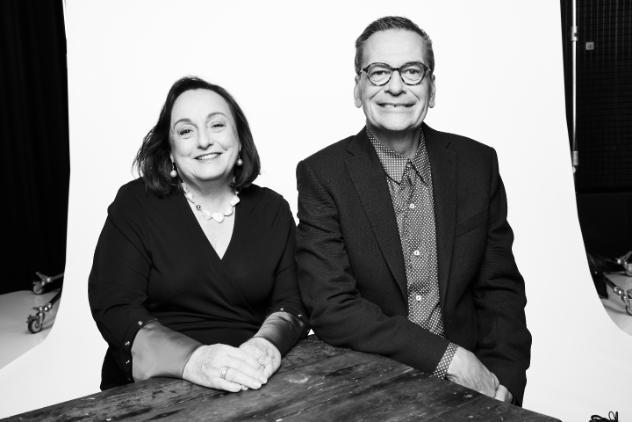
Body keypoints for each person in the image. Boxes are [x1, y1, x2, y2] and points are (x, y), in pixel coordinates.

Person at [296, 16, 531, 405]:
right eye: (378, 72)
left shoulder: (477, 164)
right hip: (371, 387)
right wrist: (449, 359)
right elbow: (332, 307)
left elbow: (500, 290)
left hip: (475, 388)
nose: (395, 85)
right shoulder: (322, 175)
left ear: (431, 88)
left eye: (411, 71)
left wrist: (502, 384)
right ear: (357, 89)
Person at [89, 76, 307, 392]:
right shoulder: (135, 203)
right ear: (171, 150)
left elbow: (294, 300)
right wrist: (196, 361)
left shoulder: (272, 208)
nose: (204, 141)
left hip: (251, 378)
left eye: (217, 125)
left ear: (240, 139)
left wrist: (266, 345)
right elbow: (115, 306)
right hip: (158, 388)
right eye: (186, 131)